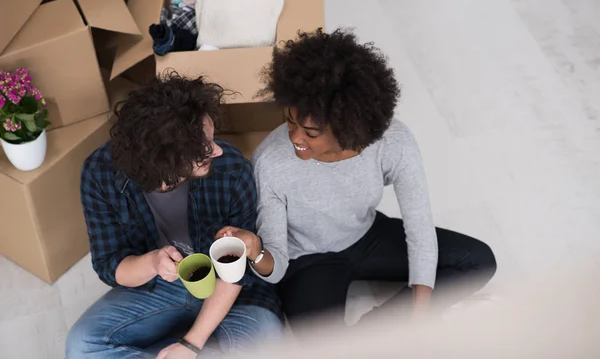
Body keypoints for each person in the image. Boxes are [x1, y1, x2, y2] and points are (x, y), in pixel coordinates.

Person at [217, 28, 497, 329]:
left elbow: (420, 232)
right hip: (307, 261)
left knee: (479, 261)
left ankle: (371, 332)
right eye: (290, 119)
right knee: (324, 346)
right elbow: (277, 266)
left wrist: (417, 313)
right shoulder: (271, 159)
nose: (294, 137)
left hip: (366, 236)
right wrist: (257, 252)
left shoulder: (393, 143)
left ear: (349, 128)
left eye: (311, 132)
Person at [66, 72, 283, 358]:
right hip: (160, 287)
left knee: (266, 342)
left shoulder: (231, 169)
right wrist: (154, 263)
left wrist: (191, 343)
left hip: (230, 293)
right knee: (81, 346)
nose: (217, 151)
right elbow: (111, 265)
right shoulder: (100, 173)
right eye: (203, 151)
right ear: (165, 160)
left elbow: (237, 273)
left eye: (212, 139)